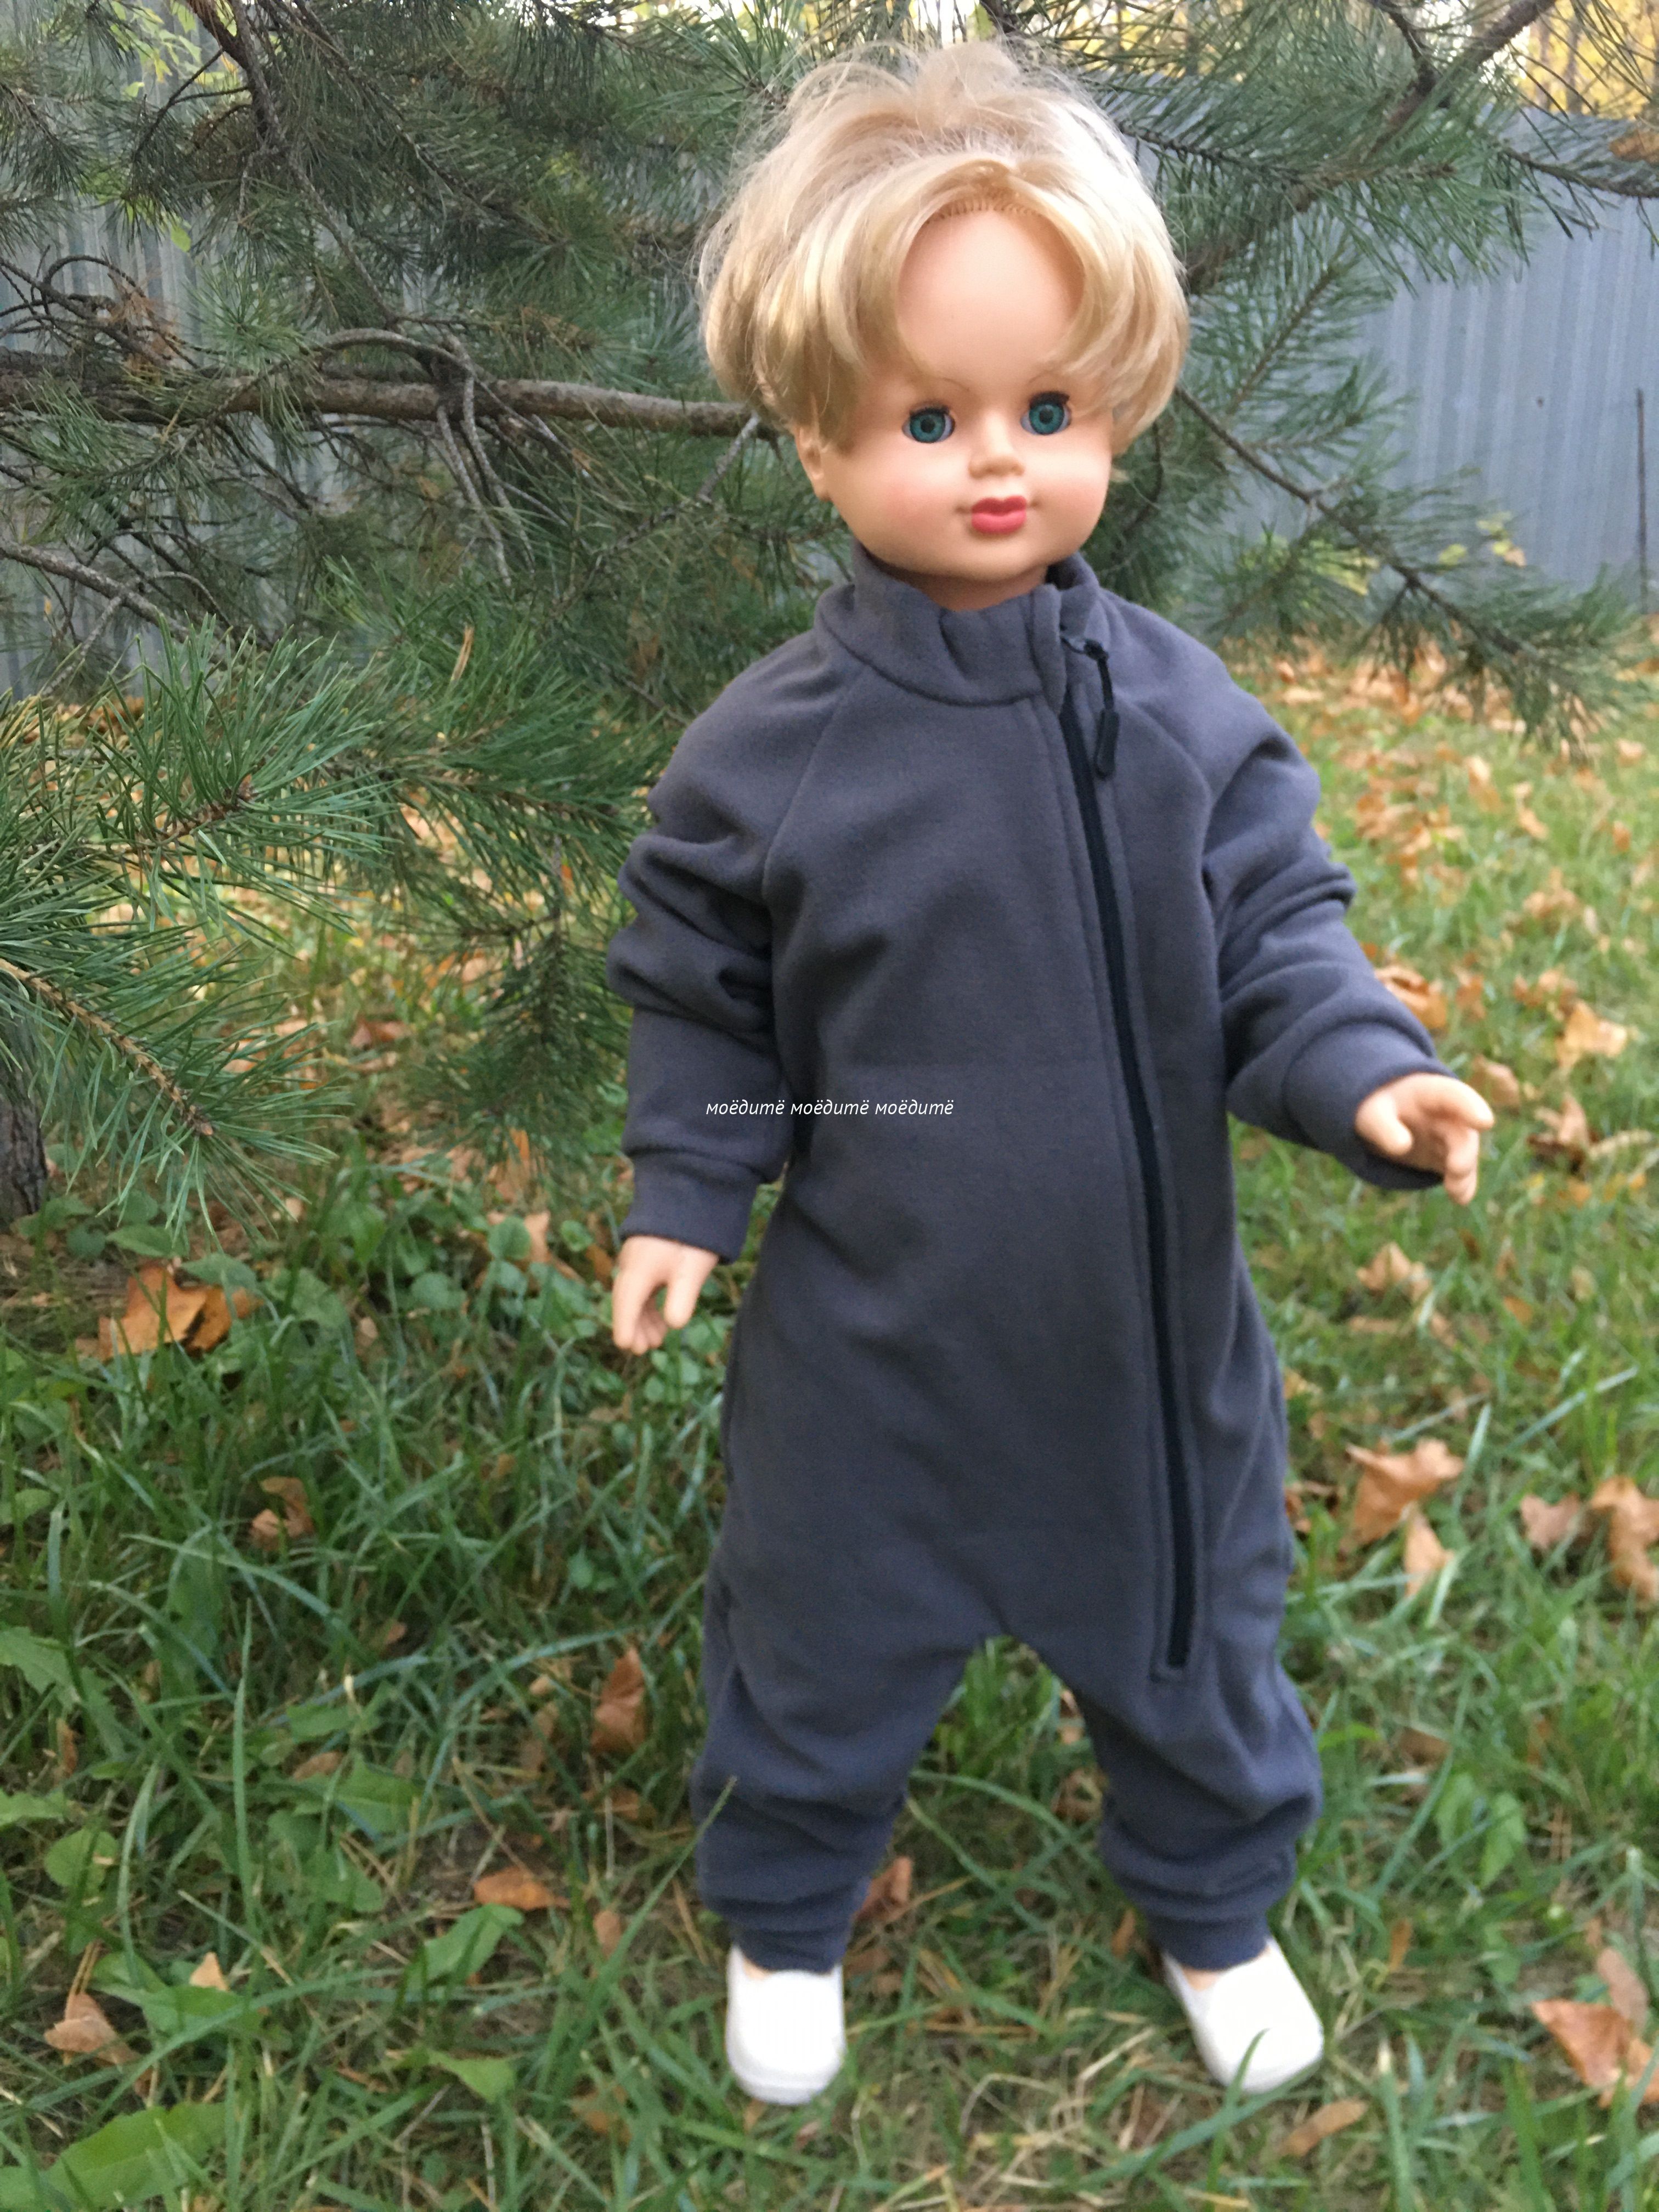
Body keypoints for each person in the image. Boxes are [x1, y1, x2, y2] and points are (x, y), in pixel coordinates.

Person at [603, 38, 1492, 2108]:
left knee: (1195, 1644)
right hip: (872, 1353)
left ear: (1118, 407)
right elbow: (704, 988)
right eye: (930, 418)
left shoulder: (1181, 717)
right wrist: (685, 1194)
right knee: (816, 1642)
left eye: (1049, 410)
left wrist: (1364, 1071)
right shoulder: (770, 753)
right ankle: (790, 1914)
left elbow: (1277, 933)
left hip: (1139, 1349)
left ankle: (1216, 1903)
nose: (997, 461)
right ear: (819, 442)